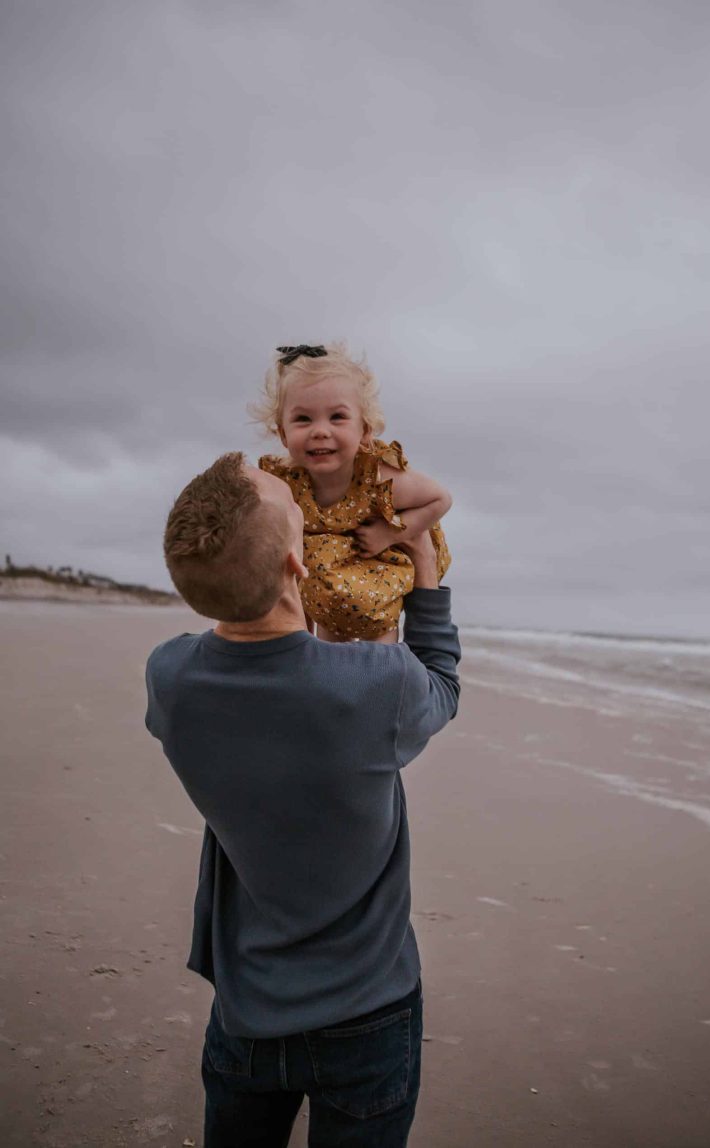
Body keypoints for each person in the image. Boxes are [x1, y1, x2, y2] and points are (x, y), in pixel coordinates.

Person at [145, 451, 460, 1148]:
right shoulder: (377, 683)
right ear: (299, 563)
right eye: (296, 513)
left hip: (247, 1007)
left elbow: (265, 660)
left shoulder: (171, 678)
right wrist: (423, 566)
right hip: (369, 1011)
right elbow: (441, 684)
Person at [252, 342, 452, 643]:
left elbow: (440, 499)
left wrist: (391, 534)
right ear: (282, 433)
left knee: (378, 648)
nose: (320, 430)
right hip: (332, 563)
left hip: (382, 558)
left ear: (365, 430)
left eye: (337, 417)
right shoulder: (288, 483)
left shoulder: (378, 477)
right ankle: (319, 657)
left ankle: (381, 664)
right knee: (315, 587)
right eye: (303, 419)